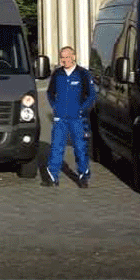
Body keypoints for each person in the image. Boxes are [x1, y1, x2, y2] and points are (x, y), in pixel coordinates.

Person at [45, 45, 96, 188]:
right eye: (62, 57)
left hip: (77, 118)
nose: (65, 60)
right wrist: (55, 107)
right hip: (60, 118)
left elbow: (91, 95)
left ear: (74, 57)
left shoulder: (83, 74)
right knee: (56, 147)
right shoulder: (57, 74)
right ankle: (52, 176)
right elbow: (50, 93)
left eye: (67, 57)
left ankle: (83, 175)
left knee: (80, 147)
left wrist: (82, 109)